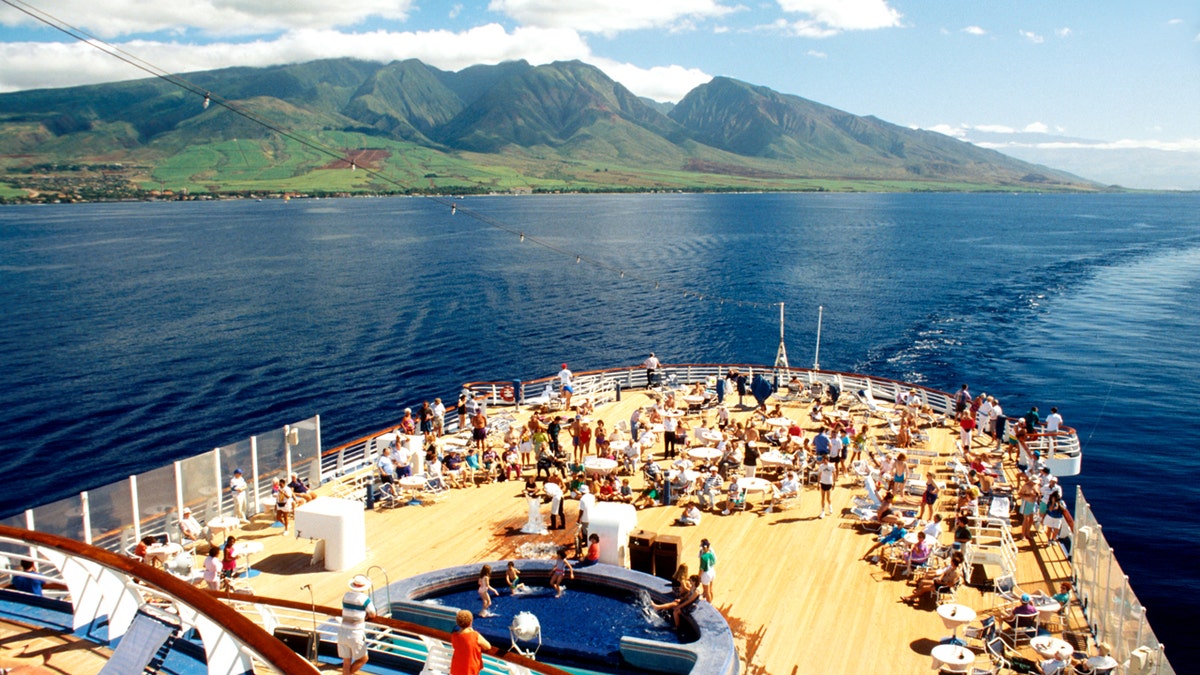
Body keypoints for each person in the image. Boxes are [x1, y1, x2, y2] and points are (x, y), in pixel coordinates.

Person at [339, 575, 377, 675]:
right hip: (355, 633)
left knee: (346, 662)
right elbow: (373, 613)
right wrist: (366, 617)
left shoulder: (346, 596)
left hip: (342, 632)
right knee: (363, 658)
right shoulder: (364, 599)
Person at [449, 608, 492, 675]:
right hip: (470, 669)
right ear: (470, 622)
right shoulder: (475, 635)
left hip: (457, 668)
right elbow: (488, 646)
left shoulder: (454, 636)